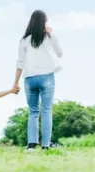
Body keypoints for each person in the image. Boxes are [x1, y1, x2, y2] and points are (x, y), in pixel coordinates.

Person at [13, 10, 63, 150]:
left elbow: (20, 63)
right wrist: (51, 34)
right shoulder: (49, 37)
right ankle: (45, 145)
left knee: (33, 112)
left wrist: (15, 82)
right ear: (44, 22)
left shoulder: (24, 40)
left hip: (29, 78)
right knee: (46, 111)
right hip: (47, 76)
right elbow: (60, 53)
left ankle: (31, 145)